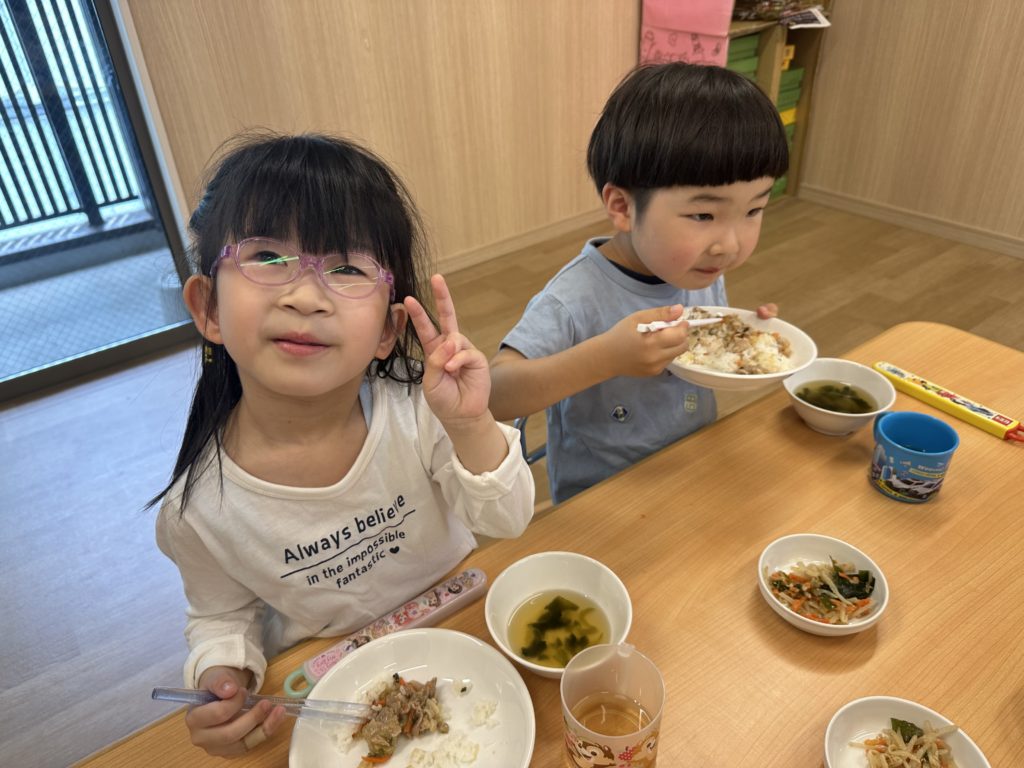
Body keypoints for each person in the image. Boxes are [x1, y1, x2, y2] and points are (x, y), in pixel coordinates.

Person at [151, 132, 534, 757]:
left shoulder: (417, 413)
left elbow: (510, 519)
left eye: (347, 268)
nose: (304, 296)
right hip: (330, 689)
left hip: (459, 627)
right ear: (209, 307)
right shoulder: (199, 510)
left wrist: (470, 426)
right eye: (266, 256)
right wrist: (223, 675)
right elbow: (220, 616)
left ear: (388, 328)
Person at [489, 62, 788, 503]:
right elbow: (494, 394)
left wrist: (746, 336)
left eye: (753, 211)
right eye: (703, 214)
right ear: (623, 207)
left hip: (690, 466)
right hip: (602, 498)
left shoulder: (701, 270)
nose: (729, 244)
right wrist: (606, 357)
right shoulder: (573, 298)